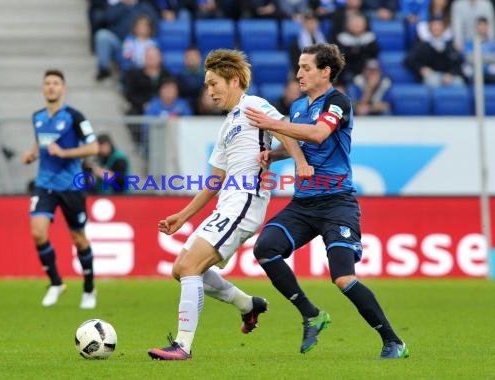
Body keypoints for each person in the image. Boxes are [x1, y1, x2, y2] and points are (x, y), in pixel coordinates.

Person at [244, 43, 409, 359]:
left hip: (337, 204)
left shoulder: (338, 102)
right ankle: (311, 314)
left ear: (325, 71)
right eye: (298, 67)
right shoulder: (296, 107)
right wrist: (274, 154)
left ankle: (393, 341)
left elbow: (319, 135)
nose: (298, 74)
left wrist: (271, 123)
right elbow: (300, 145)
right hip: (304, 204)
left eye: (306, 68)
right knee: (265, 248)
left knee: (343, 277)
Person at [147, 49, 313, 361]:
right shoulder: (227, 126)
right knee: (180, 269)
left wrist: (301, 162)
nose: (209, 91)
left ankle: (183, 346)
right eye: (207, 85)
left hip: (246, 201)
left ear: (234, 80)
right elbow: (214, 181)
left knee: (189, 267)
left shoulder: (254, 105)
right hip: (227, 204)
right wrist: (182, 216)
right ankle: (248, 305)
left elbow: (287, 130)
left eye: (214, 84)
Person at [21, 69, 100, 309]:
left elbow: (94, 147)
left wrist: (65, 153)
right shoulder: (37, 117)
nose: (51, 87)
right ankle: (56, 283)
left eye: (56, 83)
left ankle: (88, 288)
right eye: (47, 83)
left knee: (78, 238)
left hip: (70, 186)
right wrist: (33, 153)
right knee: (38, 232)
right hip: (45, 184)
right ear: (43, 88)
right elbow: (41, 141)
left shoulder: (76, 117)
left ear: (63, 88)